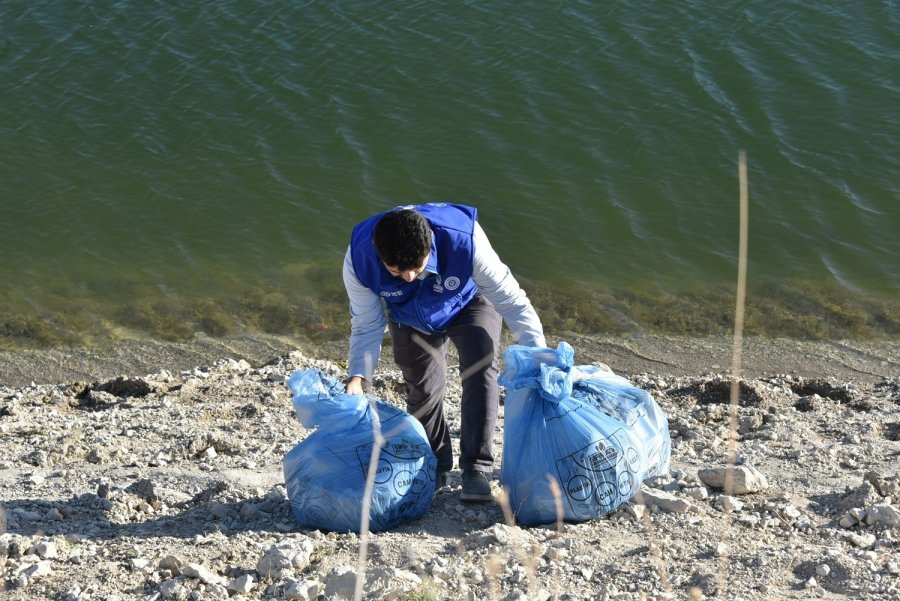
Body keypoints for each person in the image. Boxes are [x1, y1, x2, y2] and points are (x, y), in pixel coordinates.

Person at [342, 202, 546, 502]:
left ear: (430, 246)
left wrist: (539, 357)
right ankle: (433, 464)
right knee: (424, 388)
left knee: (481, 367)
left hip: (469, 301)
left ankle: (476, 466)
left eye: (416, 267)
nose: (409, 277)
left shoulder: (466, 240)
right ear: (377, 251)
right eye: (397, 271)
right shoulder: (358, 259)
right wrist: (358, 377)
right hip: (409, 316)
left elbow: (512, 302)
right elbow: (367, 325)